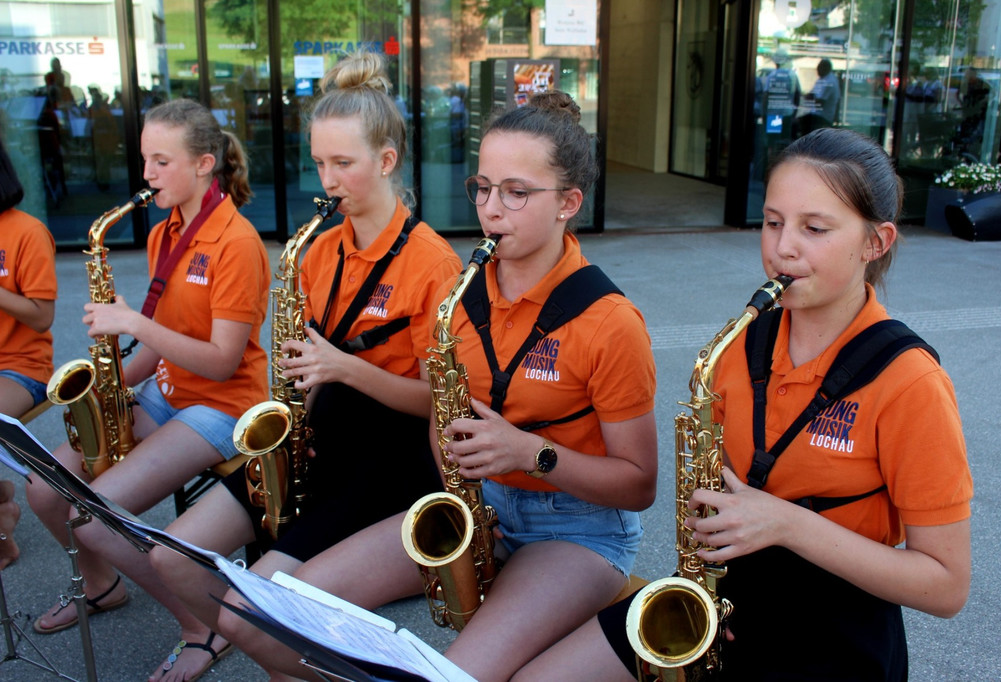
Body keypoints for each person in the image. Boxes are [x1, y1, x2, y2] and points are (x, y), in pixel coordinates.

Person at [215, 89, 658, 682]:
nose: (491, 209)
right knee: (262, 612)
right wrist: (457, 479)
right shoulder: (460, 295)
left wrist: (530, 453)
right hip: (479, 506)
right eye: (483, 187)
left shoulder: (610, 322)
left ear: (568, 203)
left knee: (450, 678)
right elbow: (441, 410)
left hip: (577, 527)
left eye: (517, 192)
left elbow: (639, 486)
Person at [517, 127, 974, 681]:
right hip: (733, 599)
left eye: (815, 229)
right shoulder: (740, 346)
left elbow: (947, 586)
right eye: (774, 222)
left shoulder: (910, 382)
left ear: (875, 243)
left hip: (838, 632)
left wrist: (785, 524)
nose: (783, 247)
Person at [150, 50, 462, 681]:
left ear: (387, 161)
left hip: (391, 461)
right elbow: (305, 367)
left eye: (343, 164)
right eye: (320, 163)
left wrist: (340, 368)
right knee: (170, 560)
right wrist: (290, 427)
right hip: (316, 439)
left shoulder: (434, 264)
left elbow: (437, 400)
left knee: (258, 611)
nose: (328, 180)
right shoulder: (317, 251)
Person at [24, 98, 271, 682]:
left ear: (205, 164)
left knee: (97, 515)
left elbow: (219, 361)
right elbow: (162, 344)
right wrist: (105, 388)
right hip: (166, 391)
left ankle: (201, 625)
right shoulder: (167, 233)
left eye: (161, 161)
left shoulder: (236, 244)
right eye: (145, 160)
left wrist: (133, 324)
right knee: (43, 488)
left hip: (222, 404)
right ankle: (103, 584)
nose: (147, 175)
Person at [0, 135, 57, 569]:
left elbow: (41, 318)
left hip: (21, 367)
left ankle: (3, 536)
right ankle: (3, 500)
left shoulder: (26, 231)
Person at [799, 58, 839, 135]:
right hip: (817, 113)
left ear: (825, 68)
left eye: (819, 69)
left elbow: (820, 103)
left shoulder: (829, 82)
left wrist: (808, 100)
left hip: (822, 116)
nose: (817, 71)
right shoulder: (822, 79)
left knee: (803, 120)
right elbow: (812, 94)